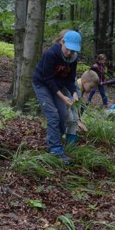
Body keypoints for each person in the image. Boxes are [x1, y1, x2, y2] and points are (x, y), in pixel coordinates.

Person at [32, 30, 81, 164]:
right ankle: (55, 148)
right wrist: (62, 97)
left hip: (58, 86)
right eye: (68, 49)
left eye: (73, 50)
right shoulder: (51, 54)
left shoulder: (73, 58)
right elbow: (48, 79)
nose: (70, 53)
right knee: (53, 115)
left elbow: (70, 80)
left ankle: (54, 144)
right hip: (42, 84)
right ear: (62, 42)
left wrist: (74, 94)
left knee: (63, 114)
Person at [63, 69, 100, 148]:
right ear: (84, 81)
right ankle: (61, 143)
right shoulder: (75, 87)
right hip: (63, 103)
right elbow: (73, 105)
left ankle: (70, 143)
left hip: (69, 105)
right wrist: (78, 121)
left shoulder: (81, 87)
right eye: (91, 87)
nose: (92, 89)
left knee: (80, 109)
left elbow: (77, 106)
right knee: (71, 120)